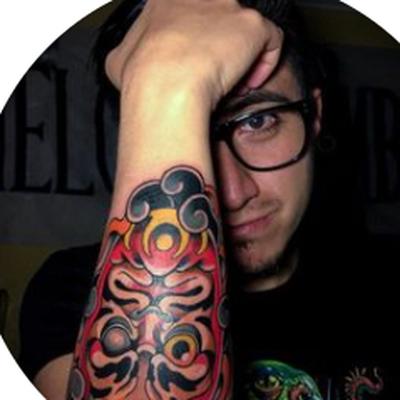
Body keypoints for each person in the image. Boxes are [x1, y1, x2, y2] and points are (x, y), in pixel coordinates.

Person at [19, 0, 398, 399]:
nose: (232, 195)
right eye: (183, 129)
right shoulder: (76, 294)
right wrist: (166, 81)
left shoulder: (388, 283)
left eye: (258, 121)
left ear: (314, 115)